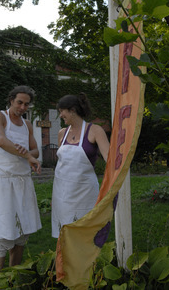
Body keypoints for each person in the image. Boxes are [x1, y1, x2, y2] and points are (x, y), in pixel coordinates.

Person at [0, 85, 42, 281]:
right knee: (2, 235)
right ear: (11, 100)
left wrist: (30, 156)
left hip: (23, 182)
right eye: (20, 102)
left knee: (21, 234)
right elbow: (1, 140)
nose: (23, 107)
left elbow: (36, 151)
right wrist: (27, 155)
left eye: (26, 104)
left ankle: (12, 280)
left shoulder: (27, 125)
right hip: (3, 182)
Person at [52, 92, 110, 238]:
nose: (60, 116)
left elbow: (110, 159)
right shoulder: (62, 133)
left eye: (62, 112)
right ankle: (64, 261)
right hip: (62, 193)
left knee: (85, 234)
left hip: (85, 192)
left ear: (72, 110)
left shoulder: (95, 131)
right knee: (64, 233)